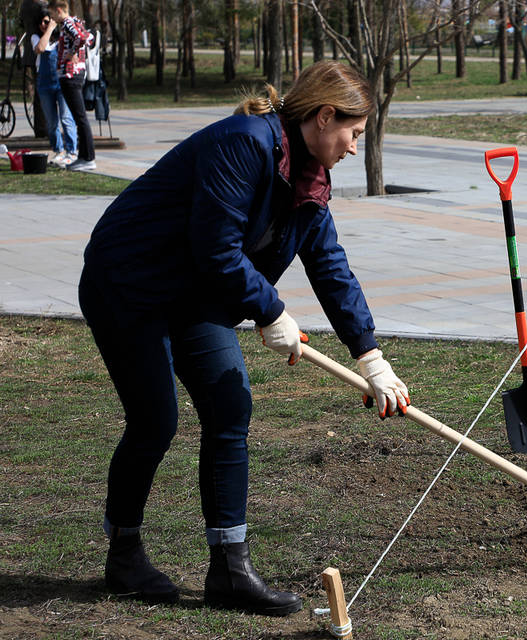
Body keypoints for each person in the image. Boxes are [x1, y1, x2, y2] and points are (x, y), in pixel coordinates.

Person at [78, 61, 410, 615]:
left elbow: (330, 266)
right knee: (155, 420)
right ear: (325, 117)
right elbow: (216, 249)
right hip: (129, 283)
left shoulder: (310, 179)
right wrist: (272, 311)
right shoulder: (243, 144)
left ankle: (229, 570)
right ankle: (124, 555)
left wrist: (370, 356)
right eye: (354, 133)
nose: (354, 147)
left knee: (230, 407)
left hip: (195, 294)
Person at [48, 0, 95, 171]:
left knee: (80, 118)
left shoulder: (68, 23)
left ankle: (88, 157)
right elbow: (90, 37)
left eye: (52, 14)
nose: (51, 18)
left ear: (59, 10)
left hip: (70, 74)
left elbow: (82, 38)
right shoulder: (75, 22)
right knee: (79, 118)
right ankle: (84, 156)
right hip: (75, 74)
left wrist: (73, 53)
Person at [32, 9, 78, 168]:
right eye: (43, 22)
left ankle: (72, 152)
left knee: (66, 117)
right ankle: (58, 150)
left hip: (61, 83)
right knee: (51, 122)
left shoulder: (62, 39)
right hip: (44, 86)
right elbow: (40, 49)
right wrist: (49, 29)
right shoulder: (36, 38)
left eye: (48, 21)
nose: (46, 24)